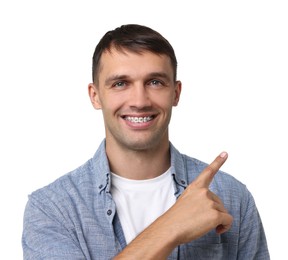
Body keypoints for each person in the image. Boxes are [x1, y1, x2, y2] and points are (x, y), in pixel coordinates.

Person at [22, 24, 270, 259]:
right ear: (95, 96)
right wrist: (171, 227)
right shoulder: (52, 207)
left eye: (155, 82)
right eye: (120, 83)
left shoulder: (232, 196)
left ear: (176, 93)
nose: (140, 101)